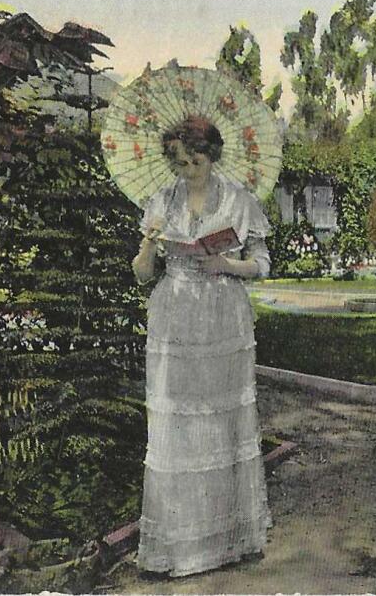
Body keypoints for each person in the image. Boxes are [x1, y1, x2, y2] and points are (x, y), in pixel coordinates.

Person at [130, 114, 272, 577]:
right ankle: (180, 545)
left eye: (193, 161)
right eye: (179, 162)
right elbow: (142, 273)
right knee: (177, 422)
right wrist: (150, 245)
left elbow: (262, 264)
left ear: (211, 156)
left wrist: (228, 265)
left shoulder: (239, 199)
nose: (186, 170)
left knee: (220, 420)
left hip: (222, 317)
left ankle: (230, 539)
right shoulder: (161, 201)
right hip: (174, 316)